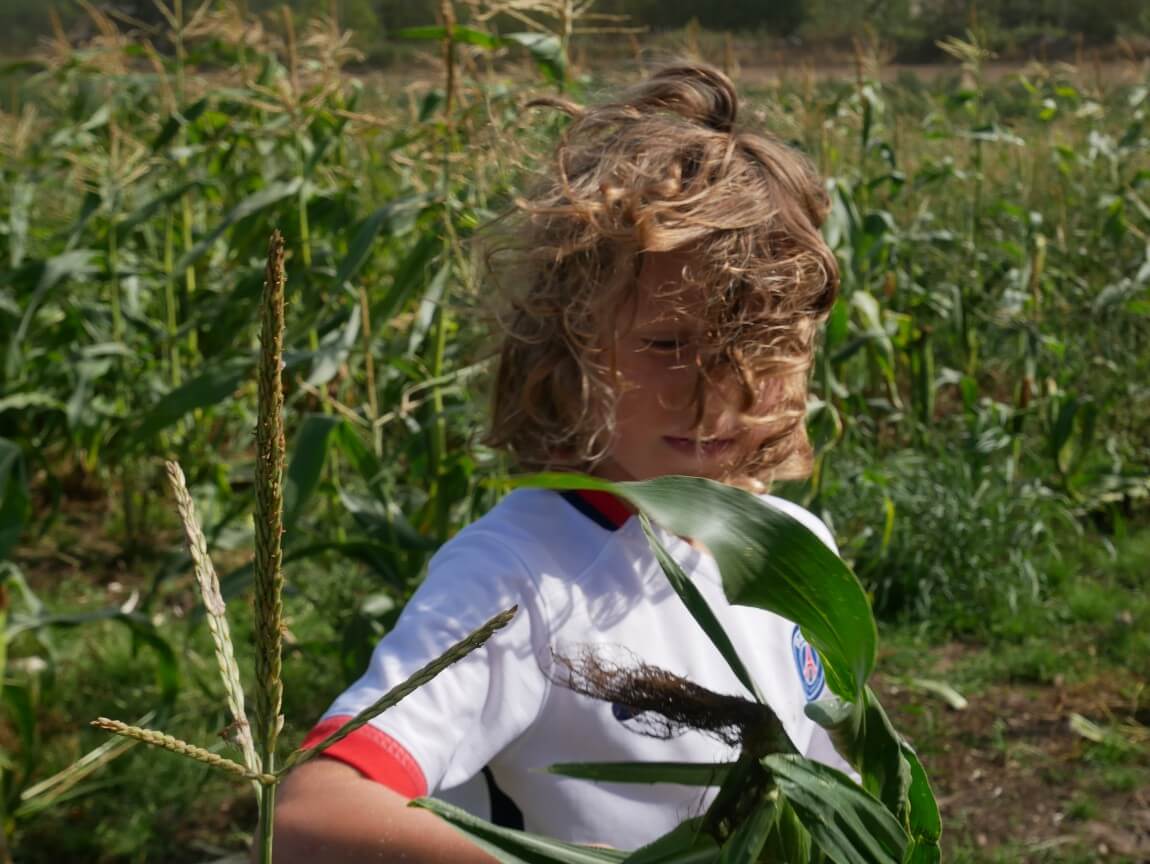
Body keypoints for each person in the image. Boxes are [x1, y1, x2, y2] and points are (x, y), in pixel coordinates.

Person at [273, 62, 847, 863]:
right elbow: (316, 812)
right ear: (568, 344)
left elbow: (836, 782)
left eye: (763, 347)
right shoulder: (520, 577)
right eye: (666, 344)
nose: (716, 394)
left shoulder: (795, 549)